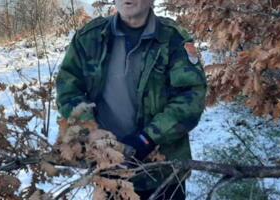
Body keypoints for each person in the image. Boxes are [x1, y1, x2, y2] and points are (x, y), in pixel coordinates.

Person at [55, 0, 207, 199]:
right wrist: (91, 131)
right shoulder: (89, 38)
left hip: (162, 171)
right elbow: (68, 89)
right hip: (108, 168)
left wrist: (147, 139)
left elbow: (191, 98)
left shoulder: (173, 38)